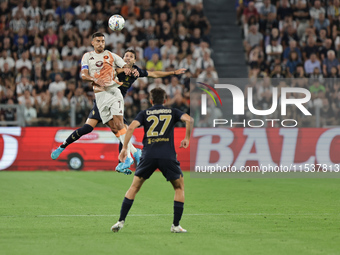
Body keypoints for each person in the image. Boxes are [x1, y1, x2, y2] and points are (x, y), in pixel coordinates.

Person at [51, 48, 186, 173]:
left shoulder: (136, 71)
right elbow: (111, 72)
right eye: (126, 55)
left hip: (116, 103)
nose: (127, 58)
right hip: (103, 100)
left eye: (131, 56)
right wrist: (124, 70)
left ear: (134, 60)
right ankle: (62, 146)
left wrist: (173, 72)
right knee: (89, 128)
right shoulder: (115, 66)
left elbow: (154, 74)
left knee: (121, 130)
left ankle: (123, 162)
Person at [111, 88, 193, 233]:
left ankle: (120, 221)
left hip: (148, 155)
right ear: (165, 100)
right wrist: (186, 138)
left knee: (134, 188)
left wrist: (124, 148)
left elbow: (130, 128)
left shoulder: (144, 113)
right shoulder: (172, 112)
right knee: (179, 188)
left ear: (150, 101)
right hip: (167, 156)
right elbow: (189, 120)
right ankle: (175, 225)